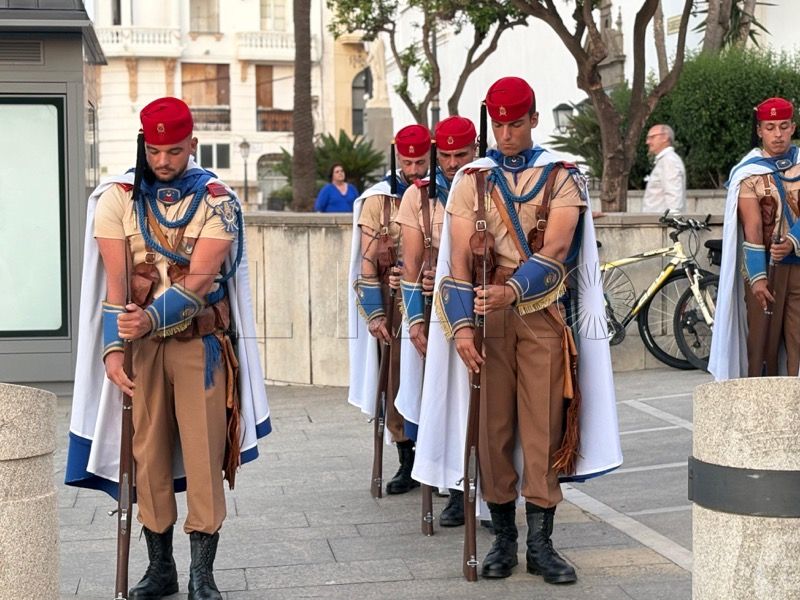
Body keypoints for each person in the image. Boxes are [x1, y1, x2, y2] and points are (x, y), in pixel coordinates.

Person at [65, 97, 271, 600]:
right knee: (148, 455)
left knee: (204, 455)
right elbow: (117, 285)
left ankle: (203, 573)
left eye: (174, 151)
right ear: (143, 145)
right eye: (154, 151)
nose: (163, 161)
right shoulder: (117, 198)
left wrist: (149, 318)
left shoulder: (218, 200)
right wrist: (114, 351)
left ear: (192, 145)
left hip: (199, 343)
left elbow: (200, 279)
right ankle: (162, 569)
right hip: (140, 348)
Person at [423, 76, 621, 583]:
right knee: (492, 430)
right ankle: (503, 539)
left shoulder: (563, 176)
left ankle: (541, 543)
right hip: (485, 318)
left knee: (542, 427)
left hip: (542, 313)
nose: (507, 134)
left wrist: (511, 290)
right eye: (499, 125)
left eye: (515, 123)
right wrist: (461, 329)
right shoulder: (472, 179)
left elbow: (558, 248)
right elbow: (458, 259)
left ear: (533, 119)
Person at [394, 115, 477, 526]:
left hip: (486, 307)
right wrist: (414, 321)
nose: (452, 163)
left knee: (488, 408)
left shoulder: (490, 184)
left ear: (475, 150)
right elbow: (410, 265)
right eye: (445, 155)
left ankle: (490, 493)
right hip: (438, 313)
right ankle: (458, 489)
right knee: (444, 404)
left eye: (460, 154)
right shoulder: (418, 197)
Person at [348, 123, 430, 495]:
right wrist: (375, 314)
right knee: (396, 377)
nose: (413, 170)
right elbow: (366, 262)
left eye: (420, 162)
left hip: (437, 296)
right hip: (395, 302)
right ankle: (406, 458)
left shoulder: (444, 192)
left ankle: (439, 459)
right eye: (407, 162)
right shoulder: (378, 201)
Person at [709, 97, 800, 381]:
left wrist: (793, 241)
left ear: (793, 127)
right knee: (762, 346)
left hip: (798, 266)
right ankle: (762, 403)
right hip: (765, 269)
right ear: (760, 130)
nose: (778, 134)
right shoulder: (748, 171)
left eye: (783, 126)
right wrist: (758, 278)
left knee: (798, 344)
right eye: (770, 127)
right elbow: (753, 226)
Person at [642, 124, 687, 214]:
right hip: (656, 220)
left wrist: (671, 219)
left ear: (665, 138)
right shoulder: (665, 160)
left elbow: (674, 197)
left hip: (660, 221)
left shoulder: (669, 160)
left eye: (652, 137)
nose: (647, 142)